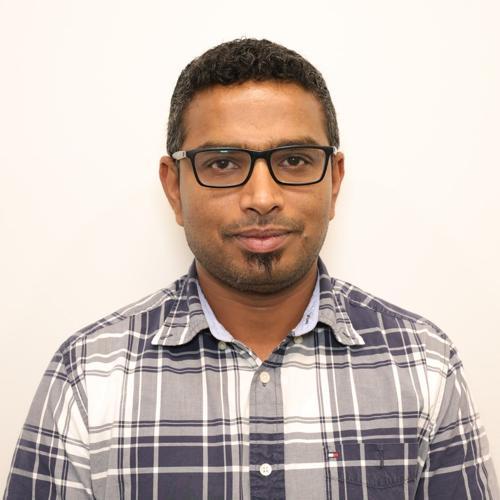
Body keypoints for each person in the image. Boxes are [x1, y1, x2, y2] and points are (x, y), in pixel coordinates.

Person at [3, 38, 498, 500]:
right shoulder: (88, 375)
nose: (262, 198)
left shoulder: (424, 363)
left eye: (295, 160)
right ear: (174, 188)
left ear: (334, 182)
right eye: (223, 163)